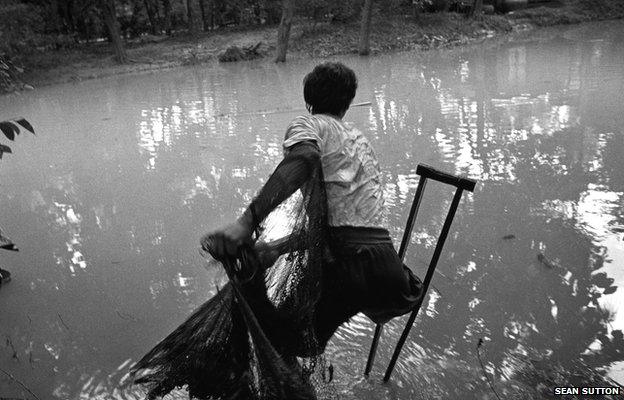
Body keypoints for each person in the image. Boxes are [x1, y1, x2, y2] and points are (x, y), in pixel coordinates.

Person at [132, 62, 423, 400]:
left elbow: (304, 159)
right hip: (389, 274)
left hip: (347, 266)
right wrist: (279, 245)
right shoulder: (360, 143)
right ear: (347, 103)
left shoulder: (308, 124)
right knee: (307, 336)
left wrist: (246, 223)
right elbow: (341, 230)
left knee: (281, 338)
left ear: (308, 100)